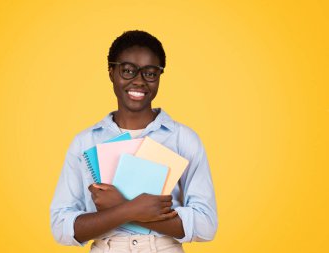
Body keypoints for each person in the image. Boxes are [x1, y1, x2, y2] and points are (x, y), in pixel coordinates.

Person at [50, 30, 218, 253]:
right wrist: (130, 209)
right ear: (111, 72)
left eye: (150, 73)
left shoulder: (183, 139)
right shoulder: (84, 142)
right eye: (128, 70)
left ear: (159, 76)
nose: (139, 81)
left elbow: (206, 225)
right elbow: (61, 227)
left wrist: (120, 208)